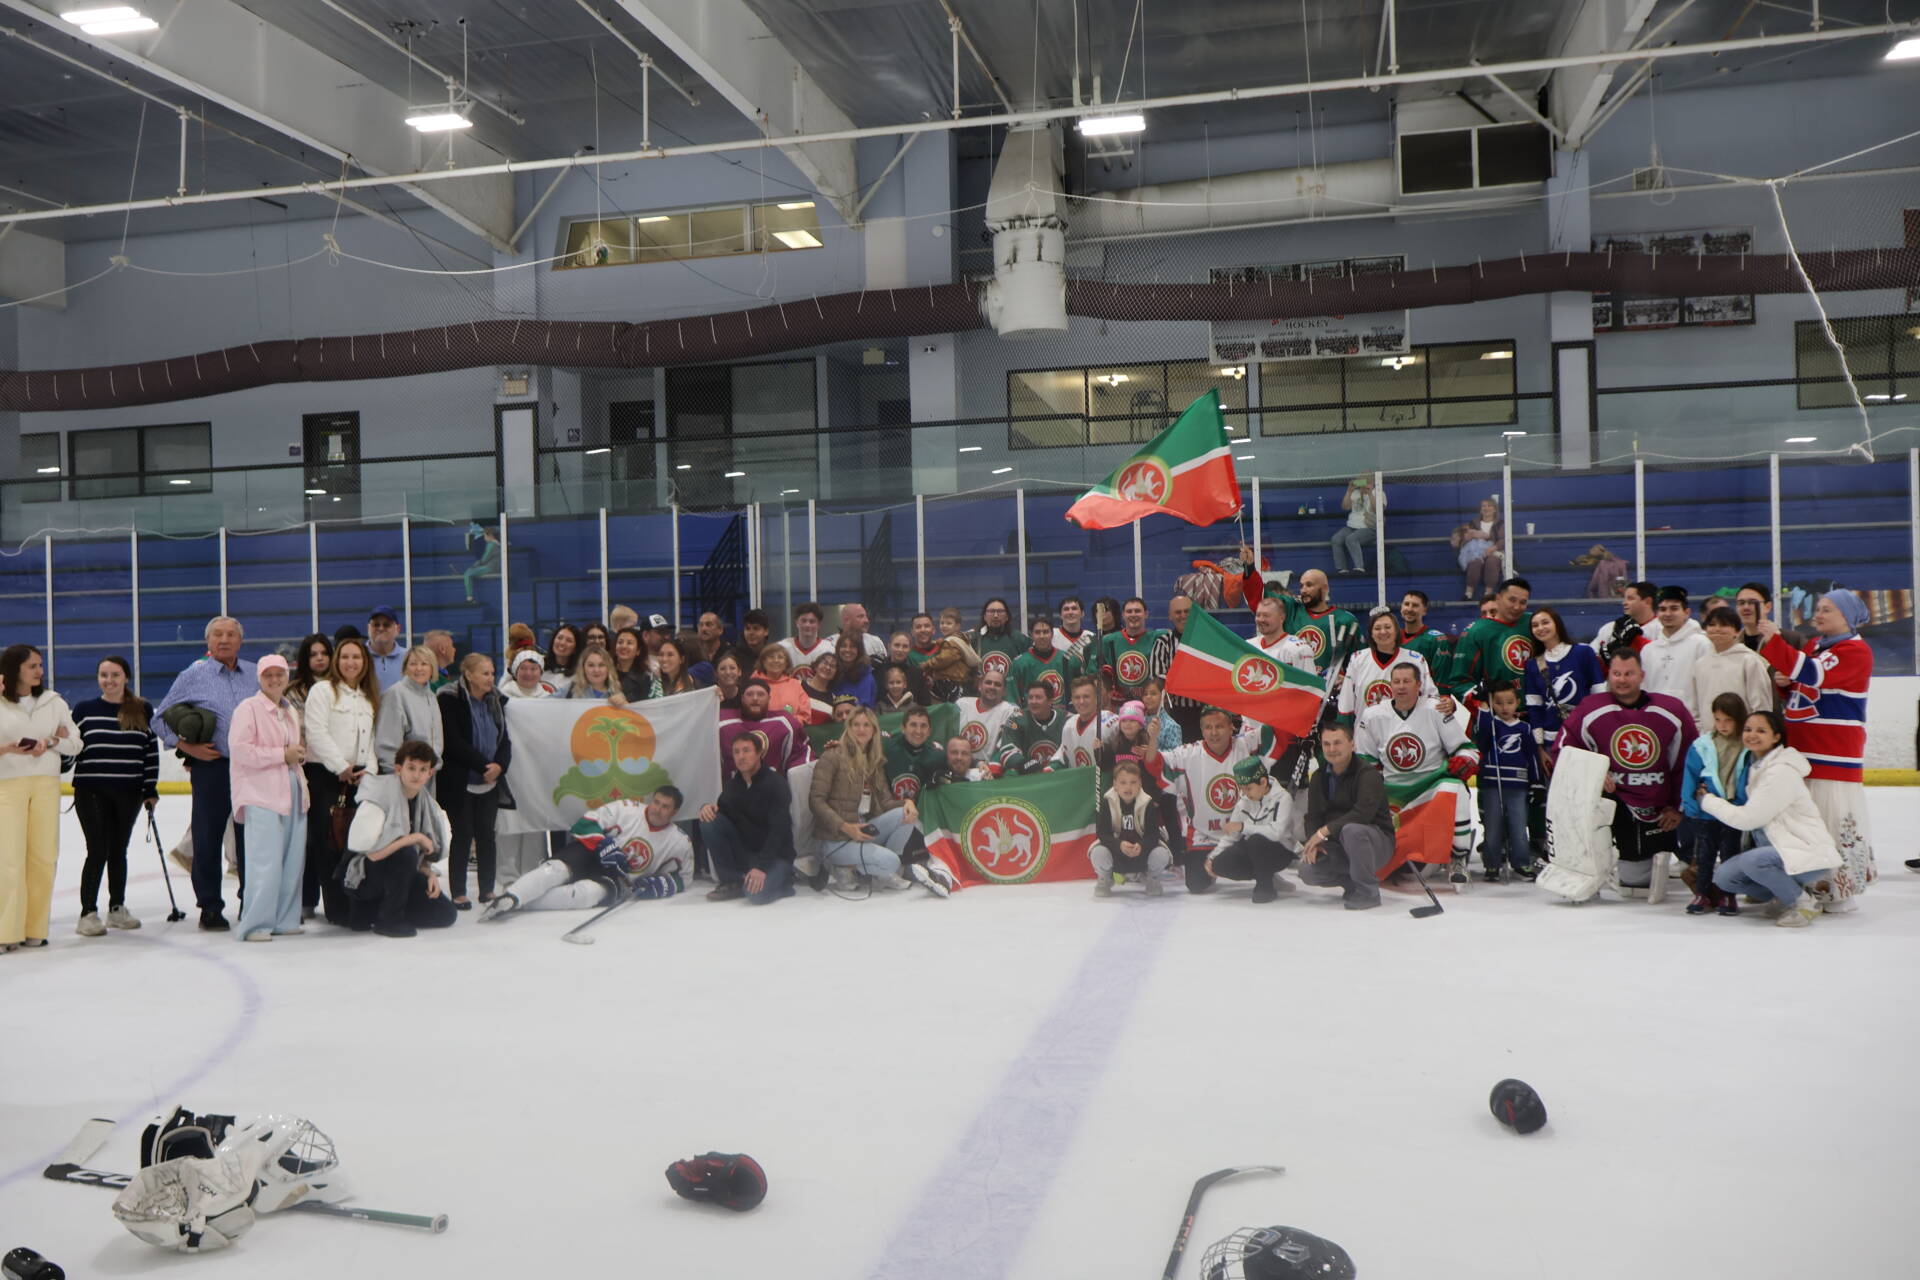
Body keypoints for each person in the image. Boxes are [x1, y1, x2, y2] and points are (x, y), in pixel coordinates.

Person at [1756, 590, 1878, 903]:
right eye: (1819, 609)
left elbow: (1814, 675)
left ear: (1846, 617)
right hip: (1804, 751)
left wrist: (1774, 642)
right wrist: (1786, 688)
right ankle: (1807, 886)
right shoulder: (1815, 645)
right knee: (1804, 825)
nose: (1818, 615)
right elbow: (1806, 693)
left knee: (1832, 823)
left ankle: (1838, 891)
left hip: (1832, 753)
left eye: (1827, 610)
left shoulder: (1855, 650)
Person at [1556, 649, 1696, 890]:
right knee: (1633, 880)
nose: (1621, 679)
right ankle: (1597, 858)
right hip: (1614, 800)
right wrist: (1593, 774)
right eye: (1616, 673)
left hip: (1658, 808)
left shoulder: (1672, 710)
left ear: (1641, 675)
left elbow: (1689, 761)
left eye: (1629, 673)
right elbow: (1564, 749)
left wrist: (1678, 807)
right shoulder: (1590, 708)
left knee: (1638, 881)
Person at [154, 616, 257, 931]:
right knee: (207, 838)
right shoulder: (193, 674)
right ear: (208, 642)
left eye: (230, 635)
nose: (224, 640)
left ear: (240, 641)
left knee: (251, 838)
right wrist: (187, 747)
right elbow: (158, 719)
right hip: (212, 768)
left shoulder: (255, 673)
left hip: (252, 770)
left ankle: (252, 902)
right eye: (217, 635)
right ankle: (210, 906)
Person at [1705, 710, 1837, 929]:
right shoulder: (1756, 766)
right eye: (1748, 729)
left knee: (1752, 861)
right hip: (1780, 851)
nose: (1752, 735)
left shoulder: (1781, 772)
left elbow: (1748, 819)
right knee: (1725, 877)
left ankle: (1803, 903)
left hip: (1804, 850)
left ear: (1776, 737)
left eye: (1761, 730)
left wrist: (1707, 801)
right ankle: (1783, 894)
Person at [482, 788, 690, 919]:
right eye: (656, 802)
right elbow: (584, 824)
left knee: (582, 896)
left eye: (665, 807)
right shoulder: (626, 808)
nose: (657, 809)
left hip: (619, 878)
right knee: (555, 870)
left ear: (674, 812)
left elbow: (683, 877)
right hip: (591, 853)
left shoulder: (679, 841)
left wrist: (660, 885)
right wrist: (605, 846)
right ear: (650, 800)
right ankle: (513, 895)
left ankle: (515, 903)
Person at [1355, 664, 1478, 882]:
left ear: (1419, 685)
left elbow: (1466, 748)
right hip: (1392, 793)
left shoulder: (1436, 710)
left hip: (1429, 787)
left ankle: (1458, 858)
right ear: (1390, 685)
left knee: (1455, 788)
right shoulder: (1372, 715)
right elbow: (1365, 760)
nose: (1401, 686)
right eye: (1397, 681)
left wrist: (1465, 759)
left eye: (1407, 681)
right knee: (1394, 863)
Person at [1139, 706, 1279, 893]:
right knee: (1196, 885)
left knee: (1262, 847)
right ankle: (1231, 866)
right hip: (1202, 838)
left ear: (1231, 728)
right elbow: (1155, 764)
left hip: (1245, 834)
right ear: (1201, 729)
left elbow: (1278, 733)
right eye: (1208, 727)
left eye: (1219, 726)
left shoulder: (1246, 745)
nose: (1213, 733)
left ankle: (1267, 872)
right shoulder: (1188, 754)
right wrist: (1153, 738)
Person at [69, 655, 159, 937]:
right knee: (98, 849)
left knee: (118, 849)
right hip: (91, 789)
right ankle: (88, 912)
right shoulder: (84, 710)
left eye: (115, 675)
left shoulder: (142, 709)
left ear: (126, 678)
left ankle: (117, 908)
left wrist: (150, 788)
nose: (109, 681)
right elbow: (72, 747)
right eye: (104, 675)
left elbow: (150, 751)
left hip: (129, 791)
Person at [227, 655, 309, 942]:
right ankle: (256, 923)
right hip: (260, 793)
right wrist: (281, 755)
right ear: (259, 678)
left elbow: (291, 748)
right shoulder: (247, 709)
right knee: (265, 861)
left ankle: (285, 919)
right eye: (268, 675)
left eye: (280, 674)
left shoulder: (289, 711)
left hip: (292, 790)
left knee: (291, 860)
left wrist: (297, 755)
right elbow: (241, 751)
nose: (275, 680)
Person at [342, 739, 459, 937]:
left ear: (430, 773)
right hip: (363, 878)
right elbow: (370, 855)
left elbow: (421, 856)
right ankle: (388, 919)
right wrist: (415, 837)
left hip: (400, 876)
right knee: (405, 853)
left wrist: (429, 874)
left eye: (423, 769)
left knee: (446, 914)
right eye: (411, 767)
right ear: (398, 769)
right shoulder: (379, 795)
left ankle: (382, 911)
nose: (416, 775)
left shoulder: (425, 802)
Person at [300, 636, 379, 926]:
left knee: (355, 843)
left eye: (356, 657)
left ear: (364, 662)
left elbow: (373, 738)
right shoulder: (323, 691)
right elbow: (316, 733)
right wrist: (340, 767)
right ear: (337, 661)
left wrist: (368, 769)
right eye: (345, 657)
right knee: (327, 844)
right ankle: (337, 909)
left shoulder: (368, 695)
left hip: (359, 778)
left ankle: (357, 904)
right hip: (327, 776)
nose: (350, 662)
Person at [808, 706, 927, 893]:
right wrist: (846, 827)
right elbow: (816, 801)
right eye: (856, 725)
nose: (861, 730)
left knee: (907, 817)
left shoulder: (874, 761)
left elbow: (887, 802)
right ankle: (842, 865)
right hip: (836, 838)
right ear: (848, 727)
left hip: (863, 828)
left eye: (866, 725)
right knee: (891, 861)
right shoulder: (832, 756)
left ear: (873, 730)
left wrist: (907, 803)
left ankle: (880, 874)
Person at [439, 653, 513, 909]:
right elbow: (452, 742)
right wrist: (483, 766)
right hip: (461, 780)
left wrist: (500, 766)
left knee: (486, 835)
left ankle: (488, 890)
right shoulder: (450, 700)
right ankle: (458, 892)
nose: (490, 678)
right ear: (468, 674)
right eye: (484, 673)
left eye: (492, 673)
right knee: (462, 834)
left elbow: (504, 740)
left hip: (490, 781)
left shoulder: (497, 701)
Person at [1296, 723, 1393, 909]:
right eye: (1326, 744)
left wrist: (1324, 831)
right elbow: (1313, 816)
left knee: (1352, 830)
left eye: (1338, 743)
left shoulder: (1368, 774)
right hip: (1338, 844)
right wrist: (1313, 842)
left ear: (1352, 744)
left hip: (1375, 843)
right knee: (1307, 870)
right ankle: (1351, 883)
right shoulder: (1318, 777)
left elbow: (1362, 814)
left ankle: (1368, 892)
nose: (1332, 749)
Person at [700, 735, 797, 904]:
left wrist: (761, 867)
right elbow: (722, 815)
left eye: (746, 750)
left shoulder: (776, 784)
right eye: (736, 752)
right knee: (709, 821)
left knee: (755, 895)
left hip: (775, 857)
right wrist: (706, 808)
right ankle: (732, 881)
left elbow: (779, 831)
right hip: (748, 855)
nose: (741, 756)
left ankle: (785, 883)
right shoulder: (732, 786)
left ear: (759, 753)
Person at [1679, 692, 1752, 915]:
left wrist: (1741, 802)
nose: (1722, 725)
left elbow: (1748, 777)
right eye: (1718, 719)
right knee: (1704, 855)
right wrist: (1690, 803)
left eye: (1728, 720)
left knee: (1730, 854)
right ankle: (1702, 893)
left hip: (1732, 812)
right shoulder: (1703, 745)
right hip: (1706, 812)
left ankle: (1728, 895)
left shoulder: (1746, 747)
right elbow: (1690, 774)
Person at [1236, 561, 1358, 679]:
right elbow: (1259, 598)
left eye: (1309, 585)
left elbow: (1359, 663)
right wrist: (1249, 568)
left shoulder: (1345, 620)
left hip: (1329, 691)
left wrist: (1346, 679)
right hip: (1292, 687)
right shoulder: (1291, 608)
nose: (1303, 590)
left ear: (1325, 588)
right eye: (1301, 586)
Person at [1206, 756, 1298, 902]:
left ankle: (1265, 886)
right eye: (1242, 788)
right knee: (1219, 864)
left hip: (1280, 850)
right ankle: (1267, 876)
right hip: (1252, 849)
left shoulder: (1283, 798)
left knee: (1256, 841)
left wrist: (1244, 827)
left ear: (1263, 782)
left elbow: (1276, 833)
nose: (1245, 794)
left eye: (1248, 788)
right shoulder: (1244, 802)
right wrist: (1212, 857)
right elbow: (1231, 835)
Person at [1473, 682, 1540, 882]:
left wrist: (1536, 783)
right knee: (1493, 827)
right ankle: (1492, 864)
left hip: (1518, 785)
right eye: (1499, 703)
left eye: (1509, 702)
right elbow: (1481, 740)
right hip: (1493, 784)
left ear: (1517, 703)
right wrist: (1484, 708)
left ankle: (1521, 863)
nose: (1504, 707)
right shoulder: (1491, 725)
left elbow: (1532, 757)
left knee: (1518, 827)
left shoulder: (1524, 728)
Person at [1523, 607, 1604, 758]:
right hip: (1551, 743)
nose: (1540, 628)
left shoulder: (1583, 653)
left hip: (1585, 738)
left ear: (1557, 624)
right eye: (1535, 625)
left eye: (1545, 622)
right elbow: (1535, 708)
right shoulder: (1533, 664)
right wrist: (1540, 748)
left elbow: (1600, 695)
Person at [1337, 608, 1435, 726]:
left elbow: (1430, 697)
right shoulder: (1358, 659)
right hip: (1366, 734)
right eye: (1377, 628)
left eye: (1388, 627)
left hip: (1405, 732)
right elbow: (1346, 702)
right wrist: (1344, 732)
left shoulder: (1415, 659)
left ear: (1397, 631)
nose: (1383, 632)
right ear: (1371, 633)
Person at [1090, 761, 1172, 897]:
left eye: (1133, 782)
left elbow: (1153, 835)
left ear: (1140, 783)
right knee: (1098, 852)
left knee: (1161, 854)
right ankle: (1105, 878)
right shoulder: (1107, 802)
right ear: (1115, 785)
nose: (1128, 787)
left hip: (1141, 854)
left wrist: (1141, 845)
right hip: (1118, 854)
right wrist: (1119, 845)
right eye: (1123, 782)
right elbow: (1102, 834)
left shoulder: (1148, 803)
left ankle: (1151, 878)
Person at [1446, 576, 1534, 701]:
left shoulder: (1535, 622)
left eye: (1523, 602)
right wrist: (1481, 697)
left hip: (1538, 712)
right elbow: (1459, 682)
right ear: (1498, 599)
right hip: (1498, 715)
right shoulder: (1475, 632)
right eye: (1512, 600)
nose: (1516, 607)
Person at [1689, 606, 1775, 734]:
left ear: (1736, 631)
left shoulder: (1749, 660)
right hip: (1710, 738)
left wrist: (1756, 733)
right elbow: (1695, 706)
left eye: (1724, 625)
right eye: (1712, 625)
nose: (1717, 629)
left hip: (1744, 736)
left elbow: (1761, 704)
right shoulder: (1700, 664)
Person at [719, 678, 814, 779]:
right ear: (742, 698)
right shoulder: (722, 721)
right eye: (750, 694)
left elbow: (801, 753)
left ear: (769, 698)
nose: (755, 698)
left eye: (760, 694)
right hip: (733, 790)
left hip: (773, 790)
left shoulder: (784, 722)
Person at [374, 644, 444, 772]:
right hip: (402, 776)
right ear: (405, 667)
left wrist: (434, 765)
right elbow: (387, 744)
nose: (418, 669)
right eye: (413, 664)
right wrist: (396, 773)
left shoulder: (431, 697)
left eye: (424, 664)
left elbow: (437, 739)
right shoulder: (395, 694)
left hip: (426, 774)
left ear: (432, 668)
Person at [1146, 594, 1201, 742]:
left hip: (1205, 711)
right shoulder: (1163, 642)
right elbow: (1157, 677)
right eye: (1178, 612)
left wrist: (1179, 680)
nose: (1183, 615)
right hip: (1175, 712)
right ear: (1170, 616)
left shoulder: (1207, 640)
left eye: (1187, 611)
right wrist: (1191, 682)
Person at [1096, 597, 1167, 710]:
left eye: (1137, 611)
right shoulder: (1108, 641)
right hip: (1118, 707)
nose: (1133, 614)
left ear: (1146, 614)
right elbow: (1096, 675)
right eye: (1129, 611)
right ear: (1123, 615)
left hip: (1150, 707)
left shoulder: (1159, 638)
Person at [1641, 587, 1711, 698]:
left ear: (1687, 612)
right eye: (1663, 609)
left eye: (1674, 608)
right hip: (1656, 714)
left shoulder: (1701, 644)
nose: (1667, 614)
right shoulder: (1648, 650)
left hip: (1690, 714)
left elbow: (1708, 687)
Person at [995, 681, 1066, 775]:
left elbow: (1070, 749)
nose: (1033, 701)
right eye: (1030, 697)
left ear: (1050, 701)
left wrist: (1053, 767)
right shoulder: (1015, 719)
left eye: (1038, 697)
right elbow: (1006, 750)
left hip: (1059, 774)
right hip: (1027, 775)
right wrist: (1025, 764)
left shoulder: (1066, 719)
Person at [1009, 614, 1080, 706]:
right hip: (1031, 717)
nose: (1042, 636)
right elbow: (1013, 697)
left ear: (1052, 634)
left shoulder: (1069, 660)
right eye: (1037, 632)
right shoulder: (1019, 664)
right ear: (1031, 635)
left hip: (1064, 717)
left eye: (1046, 632)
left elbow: (1079, 691)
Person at [954, 669, 1016, 764]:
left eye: (997, 684)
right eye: (988, 682)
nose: (992, 687)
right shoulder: (962, 704)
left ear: (1004, 691)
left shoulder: (1010, 711)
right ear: (979, 686)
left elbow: (1007, 744)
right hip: (959, 765)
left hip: (990, 770)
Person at [1449, 496, 1506, 599]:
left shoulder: (1500, 523)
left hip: (1494, 551)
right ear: (1480, 509)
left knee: (1492, 561)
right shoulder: (1473, 523)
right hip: (1475, 551)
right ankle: (1469, 593)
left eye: (1489, 506)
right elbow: (1464, 538)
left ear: (1494, 509)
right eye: (1483, 506)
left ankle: (1488, 593)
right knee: (1474, 562)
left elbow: (1503, 540)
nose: (1486, 508)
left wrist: (1493, 548)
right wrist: (1471, 535)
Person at [1591, 581, 1657, 659]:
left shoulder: (1663, 630)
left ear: (1648, 601)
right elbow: (1592, 654)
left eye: (1630, 598)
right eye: (1624, 598)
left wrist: (1637, 642)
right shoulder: (1611, 627)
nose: (1624, 603)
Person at [1057, 676, 1110, 771]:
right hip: (1079, 784)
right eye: (1077, 697)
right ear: (1072, 700)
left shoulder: (1110, 722)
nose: (1081, 701)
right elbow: (1062, 756)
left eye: (1086, 696)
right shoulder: (1069, 725)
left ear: (1097, 698)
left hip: (1106, 783)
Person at [1331, 474, 1379, 577]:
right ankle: (1341, 569)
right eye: (1360, 481)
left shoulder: (1378, 493)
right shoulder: (1355, 493)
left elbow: (1378, 510)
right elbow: (1345, 507)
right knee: (1336, 539)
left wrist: (1370, 493)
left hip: (1369, 528)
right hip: (1351, 526)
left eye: (1366, 480)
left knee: (1351, 539)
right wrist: (1349, 491)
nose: (1362, 483)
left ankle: (1359, 568)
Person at [1398, 590, 1452, 672]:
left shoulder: (1437, 640)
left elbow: (1441, 681)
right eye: (1406, 604)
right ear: (1401, 608)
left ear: (1424, 611)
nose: (1409, 609)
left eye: (1415, 605)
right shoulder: (1393, 639)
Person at [778, 602, 835, 679]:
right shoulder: (783, 647)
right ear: (797, 622)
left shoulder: (829, 649)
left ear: (819, 624)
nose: (807, 625)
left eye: (812, 621)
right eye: (803, 621)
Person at [753, 645, 808, 720]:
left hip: (791, 728)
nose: (776, 660)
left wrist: (791, 723)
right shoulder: (753, 683)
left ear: (786, 663)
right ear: (763, 662)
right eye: (771, 657)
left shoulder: (795, 684)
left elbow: (805, 714)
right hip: (761, 729)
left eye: (780, 657)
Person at [829, 632, 877, 707]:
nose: (847, 650)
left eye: (852, 646)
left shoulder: (867, 678)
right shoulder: (832, 674)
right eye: (843, 646)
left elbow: (866, 709)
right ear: (838, 649)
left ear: (859, 650)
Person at [364, 605, 406, 690]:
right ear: (368, 628)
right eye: (376, 624)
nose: (381, 628)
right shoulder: (358, 656)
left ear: (398, 629)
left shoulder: (409, 657)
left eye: (387, 625)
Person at [611, 627, 656, 703]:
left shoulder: (646, 678)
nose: (624, 646)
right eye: (620, 642)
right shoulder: (606, 672)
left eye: (629, 643)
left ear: (638, 651)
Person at [288, 634, 332, 709]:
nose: (320, 658)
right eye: (313, 654)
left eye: (324, 653)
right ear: (305, 658)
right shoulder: (295, 690)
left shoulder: (340, 685)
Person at [1140, 679, 1183, 752]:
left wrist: (1153, 752)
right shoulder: (1138, 721)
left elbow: (1176, 755)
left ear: (1164, 697)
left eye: (1153, 694)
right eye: (1145, 694)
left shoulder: (1171, 726)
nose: (1148, 697)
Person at [462, 523, 501, 603]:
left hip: (492, 567)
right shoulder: (497, 544)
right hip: (495, 567)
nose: (484, 538)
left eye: (485, 536)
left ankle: (470, 598)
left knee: (468, 573)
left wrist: (474, 566)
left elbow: (484, 560)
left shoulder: (492, 545)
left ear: (490, 535)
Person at [799, 651, 840, 725]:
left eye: (832, 666)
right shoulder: (797, 685)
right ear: (816, 666)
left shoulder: (834, 700)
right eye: (825, 663)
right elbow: (787, 707)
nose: (828, 667)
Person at [543, 625, 583, 696]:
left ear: (575, 649)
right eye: (559, 638)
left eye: (569, 641)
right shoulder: (539, 668)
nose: (562, 643)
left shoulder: (580, 676)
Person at [1733, 582, 1773, 653]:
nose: (1746, 607)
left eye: (1752, 602)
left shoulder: (1788, 639)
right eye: (1741, 603)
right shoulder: (1731, 644)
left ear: (1768, 607)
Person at [1055, 596, 1093, 661]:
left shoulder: (1091, 637)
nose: (1070, 612)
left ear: (1082, 614)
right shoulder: (1051, 635)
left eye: (1074, 608)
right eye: (1066, 609)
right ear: (1060, 615)